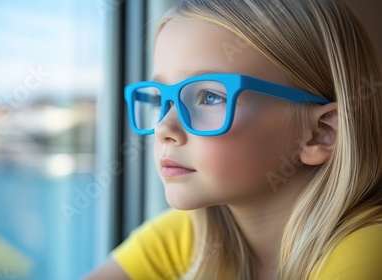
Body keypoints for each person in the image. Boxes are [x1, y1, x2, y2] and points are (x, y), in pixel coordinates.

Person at [85, 0, 382, 279]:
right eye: (160, 98)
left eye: (209, 96)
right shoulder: (191, 236)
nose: (164, 127)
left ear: (320, 134)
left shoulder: (370, 253)